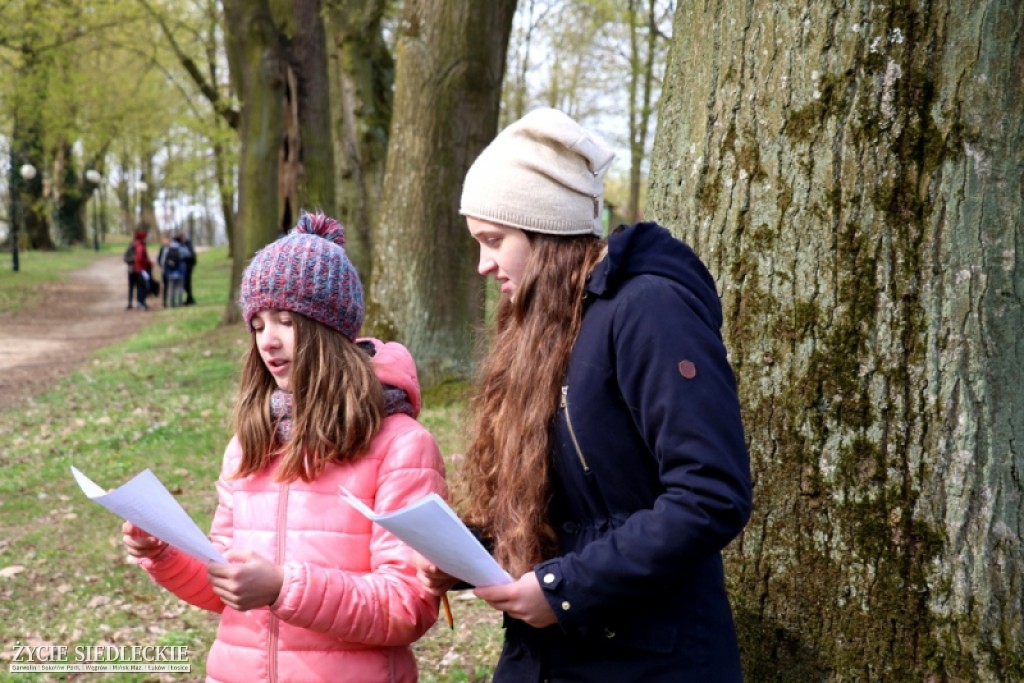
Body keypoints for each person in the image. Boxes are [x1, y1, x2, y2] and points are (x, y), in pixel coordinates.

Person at [415, 108, 753, 681]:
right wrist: (470, 551)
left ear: (543, 230)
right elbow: (570, 506)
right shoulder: (542, 325)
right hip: (546, 654)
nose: (482, 264)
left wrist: (565, 589)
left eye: (494, 239)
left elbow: (711, 492)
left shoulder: (649, 311)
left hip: (649, 659)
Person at [122, 212, 447, 682]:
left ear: (330, 330)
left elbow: (407, 604)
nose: (267, 343)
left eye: (286, 321)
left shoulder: (401, 447)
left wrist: (283, 587)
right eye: (256, 324)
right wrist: (164, 552)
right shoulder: (249, 445)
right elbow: (223, 589)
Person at [126, 228, 151, 311]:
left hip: (139, 269)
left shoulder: (142, 245)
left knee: (140, 286)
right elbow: (126, 258)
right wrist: (134, 259)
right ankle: (130, 303)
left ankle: (140, 302)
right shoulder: (133, 246)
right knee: (132, 287)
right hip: (133, 269)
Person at [160, 234, 187, 308]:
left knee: (171, 288)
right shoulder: (181, 247)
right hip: (180, 271)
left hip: (170, 271)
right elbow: (187, 255)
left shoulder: (168, 248)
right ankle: (180, 303)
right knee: (179, 288)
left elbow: (164, 260)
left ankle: (171, 304)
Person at [182, 233, 197, 305]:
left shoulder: (187, 245)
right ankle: (189, 298)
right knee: (187, 284)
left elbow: (190, 256)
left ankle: (190, 298)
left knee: (187, 284)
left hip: (188, 267)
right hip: (188, 266)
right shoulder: (188, 244)